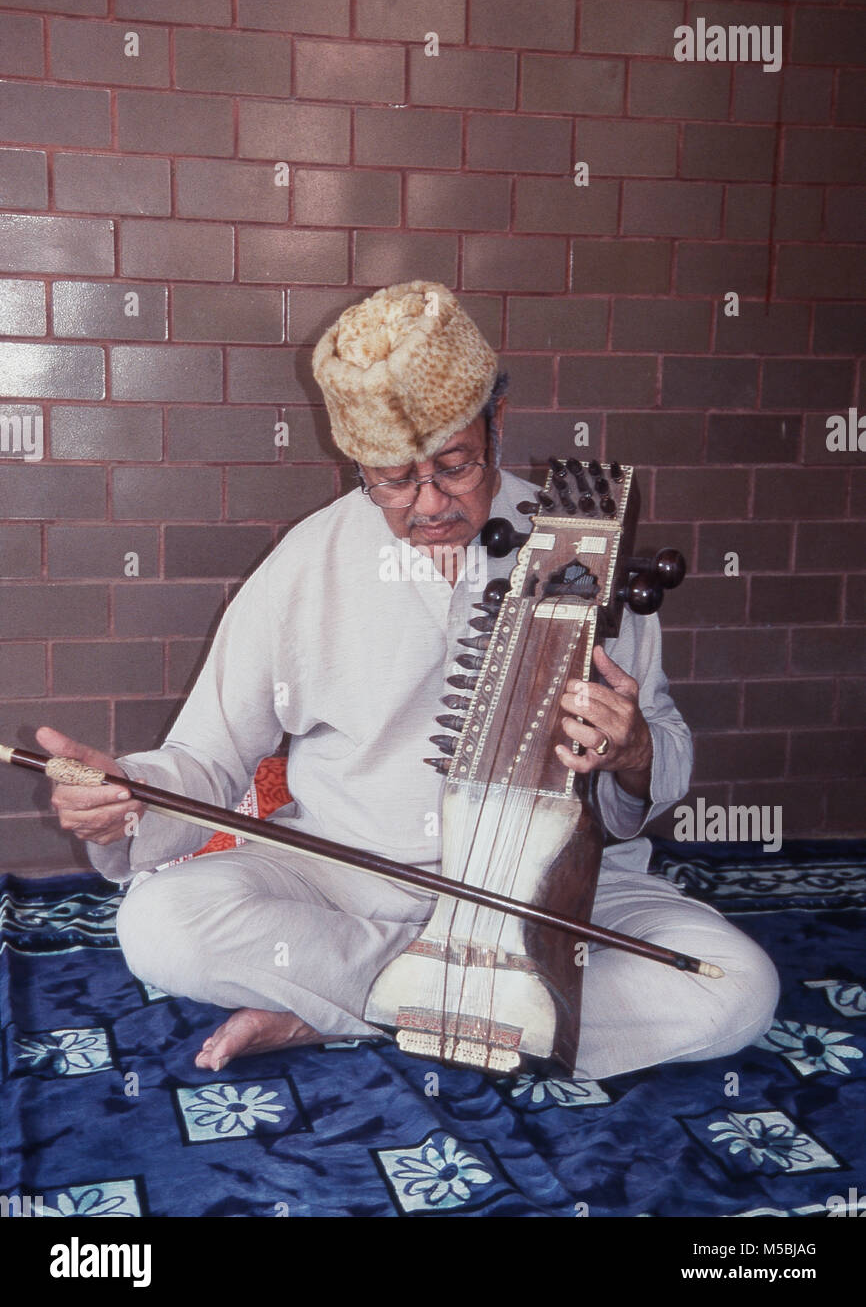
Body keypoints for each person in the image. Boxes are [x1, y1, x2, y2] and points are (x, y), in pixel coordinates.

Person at [40, 280, 779, 1078]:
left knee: (736, 991)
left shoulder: (579, 546)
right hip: (350, 879)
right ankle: (471, 1006)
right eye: (392, 480)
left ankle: (347, 1010)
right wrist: (126, 798)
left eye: (454, 465)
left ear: (497, 421)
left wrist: (632, 750)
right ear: (356, 462)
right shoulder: (305, 565)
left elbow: (661, 746)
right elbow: (208, 759)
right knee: (159, 924)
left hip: (556, 894)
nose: (429, 503)